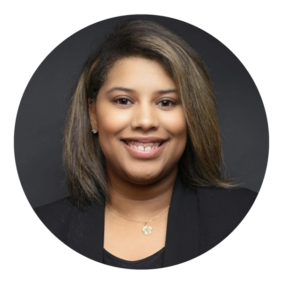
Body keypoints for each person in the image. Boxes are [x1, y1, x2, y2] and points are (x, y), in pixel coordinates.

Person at [33, 19, 258, 270]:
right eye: (123, 100)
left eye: (166, 102)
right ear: (93, 113)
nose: (145, 121)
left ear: (192, 115)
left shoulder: (241, 214)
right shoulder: (48, 224)